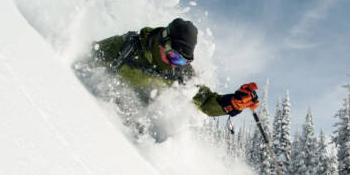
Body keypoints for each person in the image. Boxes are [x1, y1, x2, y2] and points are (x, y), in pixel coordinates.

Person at [87, 17, 259, 117]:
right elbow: (88, 56)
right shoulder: (128, 48)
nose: (174, 64)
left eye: (183, 61)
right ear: (163, 42)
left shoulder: (180, 73)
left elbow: (205, 100)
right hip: (99, 110)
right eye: (175, 57)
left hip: (135, 126)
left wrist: (232, 104)